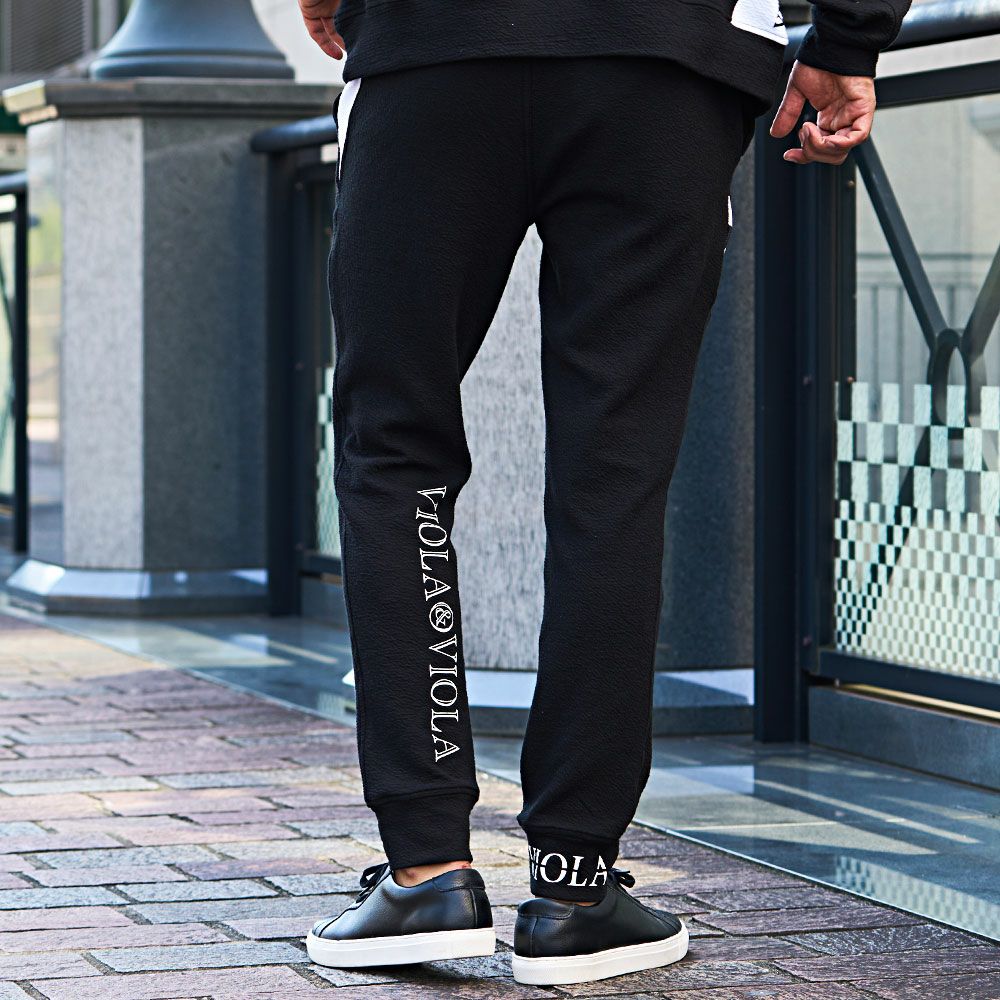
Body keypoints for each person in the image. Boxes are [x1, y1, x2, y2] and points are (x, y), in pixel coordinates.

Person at [299, 0, 910, 986]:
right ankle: (575, 888)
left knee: (393, 450)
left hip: (431, 51)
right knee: (614, 472)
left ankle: (426, 869)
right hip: (664, 62)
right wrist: (848, 39)